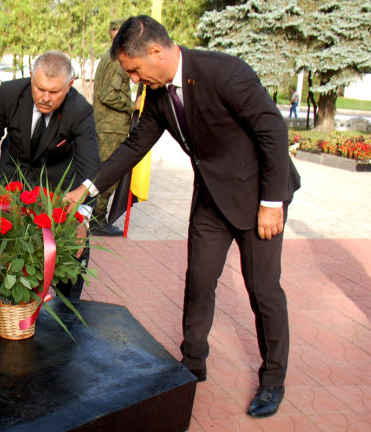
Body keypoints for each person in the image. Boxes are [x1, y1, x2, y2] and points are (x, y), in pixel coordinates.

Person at [65, 16, 301, 418]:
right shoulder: (157, 93)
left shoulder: (224, 72)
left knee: (263, 289)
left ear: (156, 52)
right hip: (210, 199)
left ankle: (273, 380)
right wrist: (86, 189)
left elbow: (272, 131)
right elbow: (134, 145)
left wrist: (272, 203)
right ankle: (192, 363)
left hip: (257, 196)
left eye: (134, 70)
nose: (134, 79)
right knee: (199, 281)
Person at [0, 51, 100, 300]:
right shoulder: (9, 94)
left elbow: (90, 167)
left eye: (54, 92)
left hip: (57, 194)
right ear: (31, 76)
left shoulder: (79, 110)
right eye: (40, 88)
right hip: (12, 185)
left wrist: (82, 219)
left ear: (69, 85)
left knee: (71, 264)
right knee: (6, 269)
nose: (45, 98)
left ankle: (67, 312)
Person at [90, 18, 139, 237]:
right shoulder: (116, 60)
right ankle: (97, 219)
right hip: (111, 128)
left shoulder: (108, 57)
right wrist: (132, 105)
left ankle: (95, 216)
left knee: (105, 171)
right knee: (109, 174)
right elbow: (108, 94)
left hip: (107, 126)